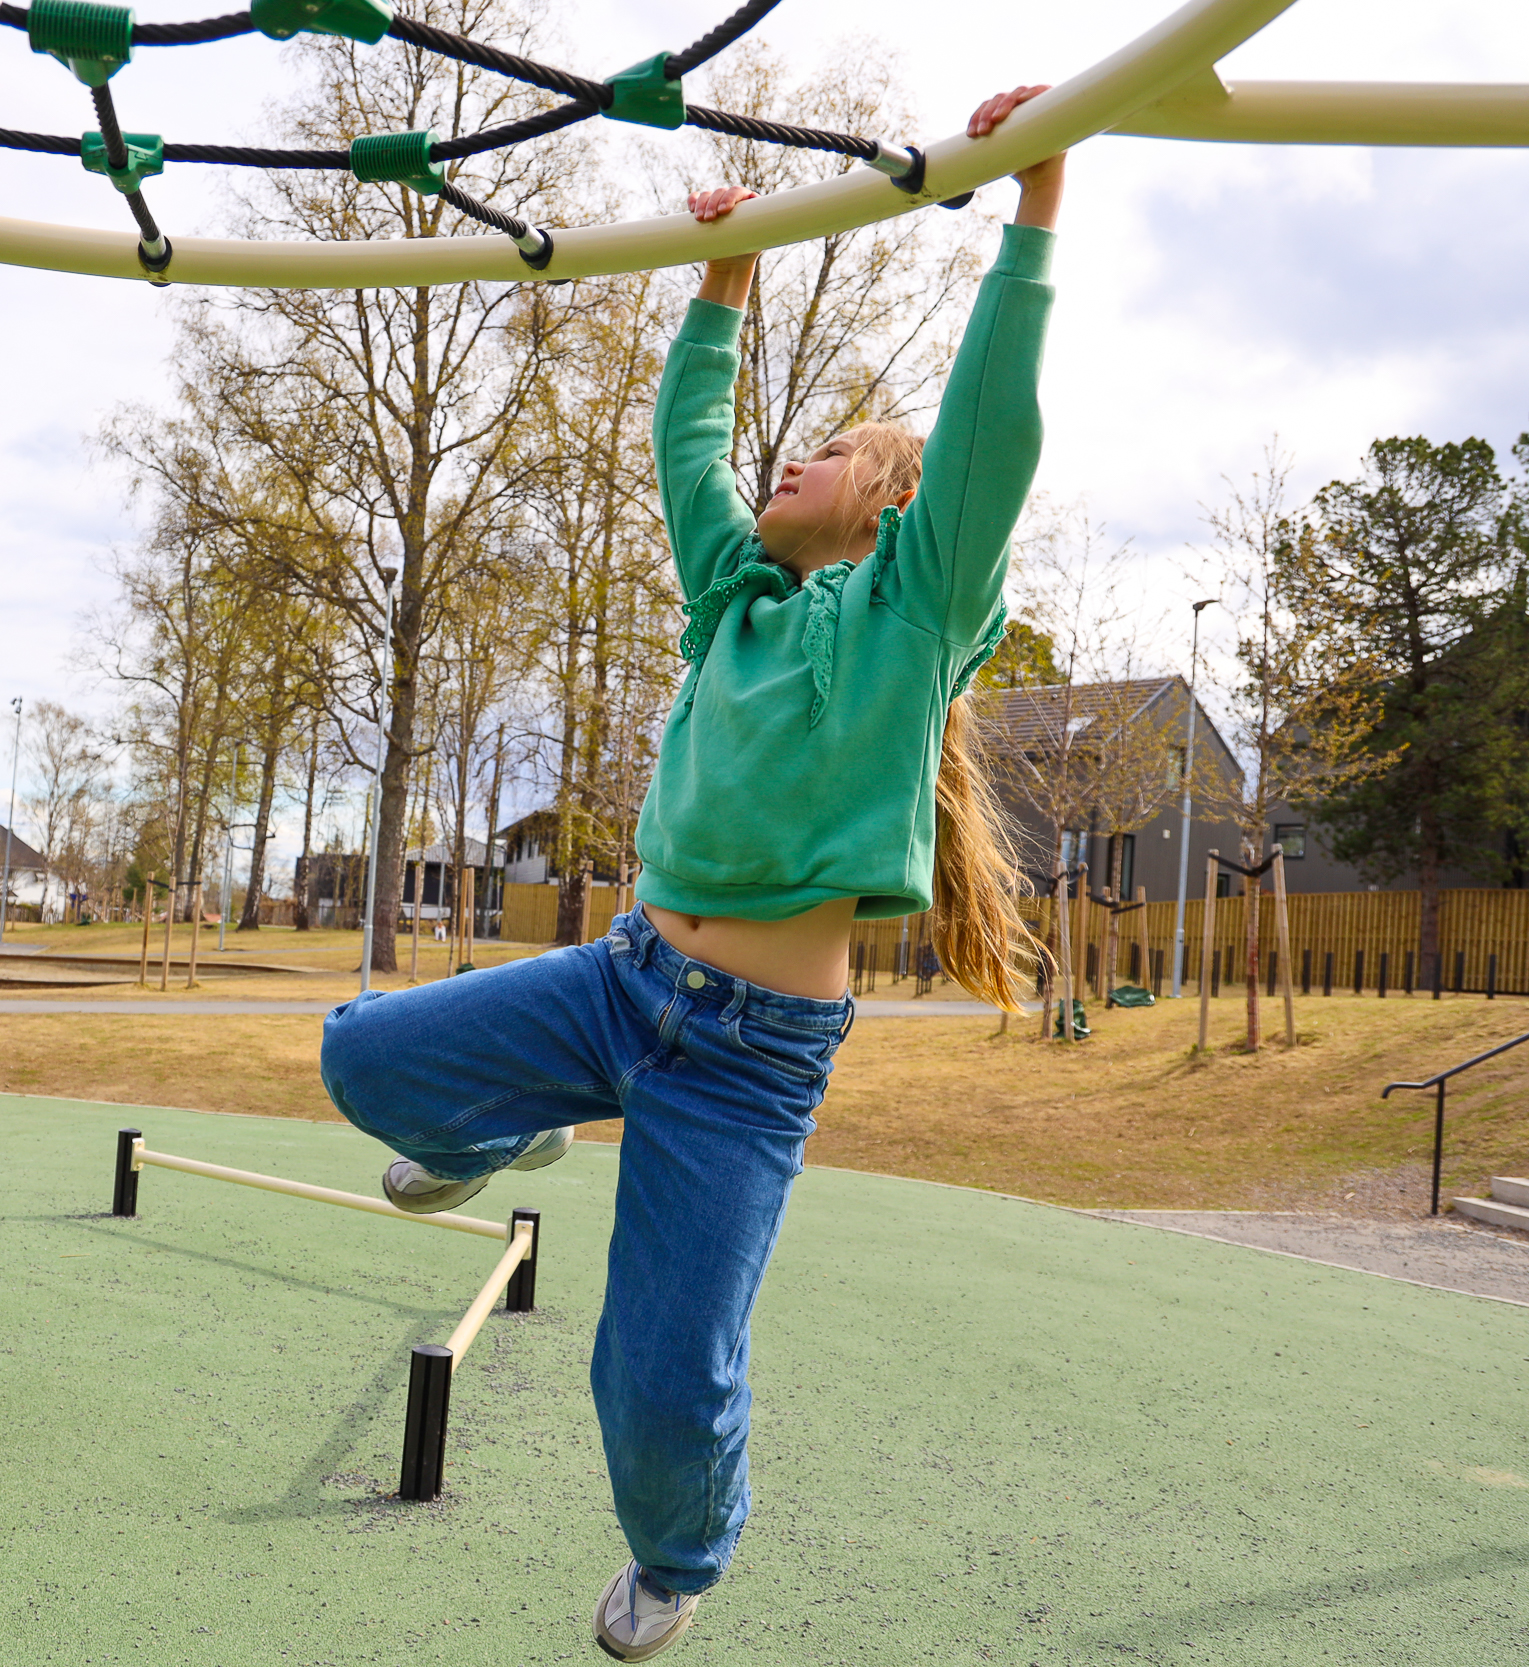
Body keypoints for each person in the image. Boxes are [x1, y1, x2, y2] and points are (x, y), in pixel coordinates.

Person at [318, 88, 1063, 1662]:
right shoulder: (729, 602)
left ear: (895, 503)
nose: (790, 460)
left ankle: (680, 1551)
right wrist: (723, 284)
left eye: (835, 449)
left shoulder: (911, 619)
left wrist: (1033, 205)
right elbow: (689, 447)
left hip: (747, 1060)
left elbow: (990, 431)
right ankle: (500, 1124)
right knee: (359, 1057)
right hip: (619, 981)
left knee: (659, 1368)